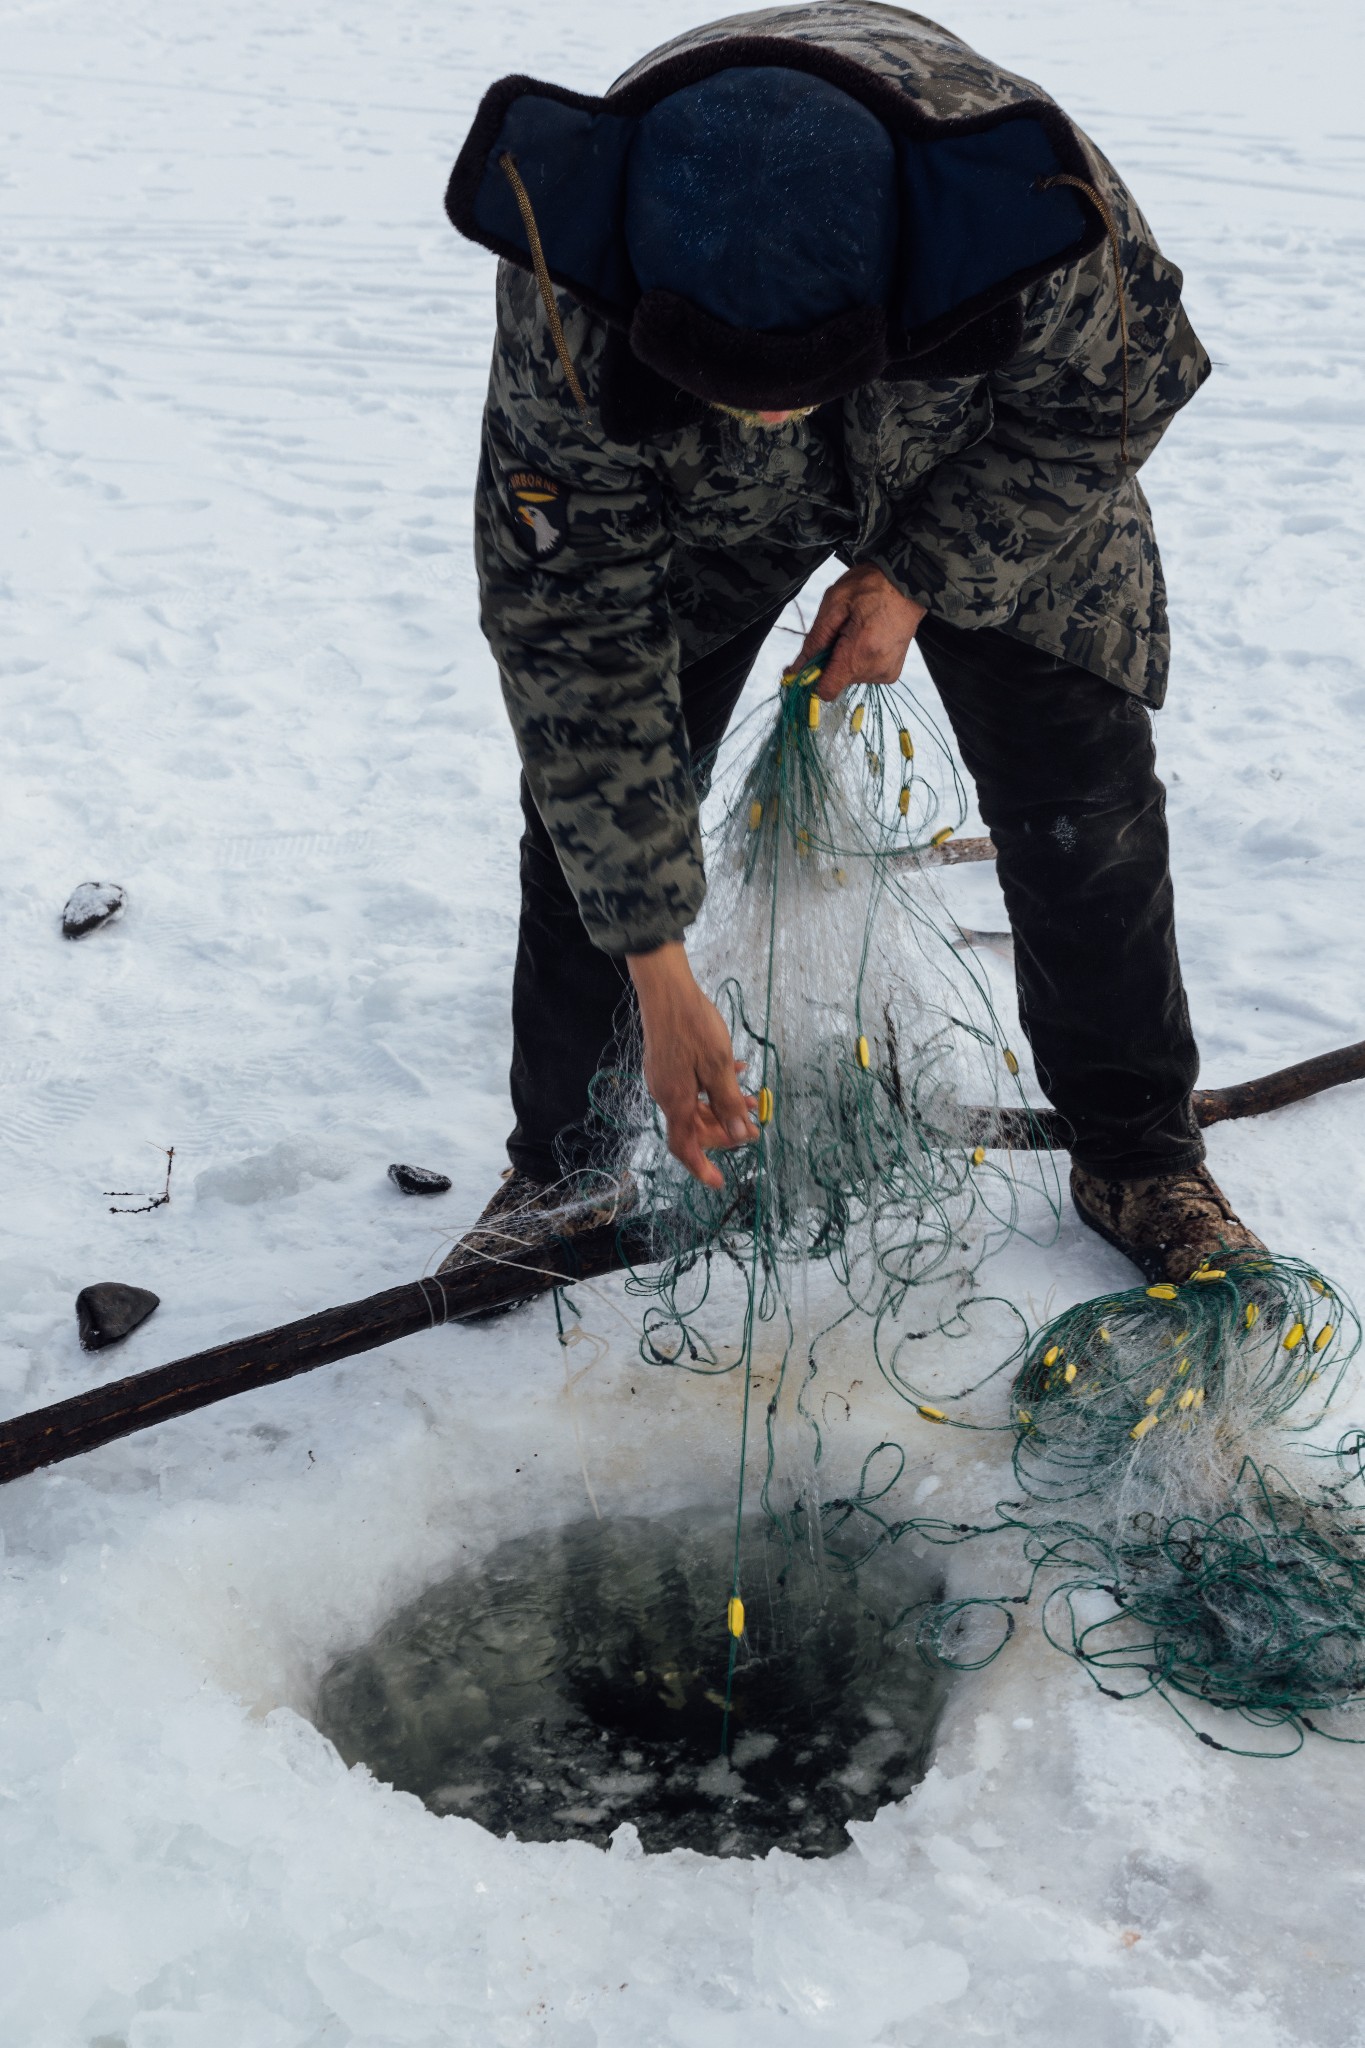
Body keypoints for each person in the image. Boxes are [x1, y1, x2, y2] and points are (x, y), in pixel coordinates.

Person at [440, 1, 1262, 1286]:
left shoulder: (1029, 218)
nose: (770, 413)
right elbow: (575, 645)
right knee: (595, 801)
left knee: (1079, 793)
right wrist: (659, 968)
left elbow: (1106, 408)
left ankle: (1140, 1149)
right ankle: (565, 1163)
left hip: (972, 451)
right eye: (739, 383)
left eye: (795, 380)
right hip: (697, 508)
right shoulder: (573, 286)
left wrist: (922, 573)